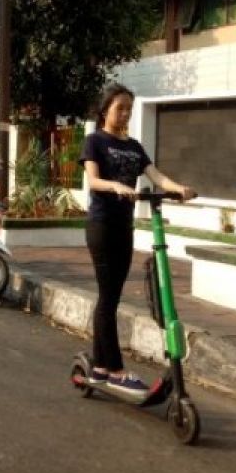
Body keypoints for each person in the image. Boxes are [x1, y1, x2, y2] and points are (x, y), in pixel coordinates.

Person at [80, 84, 196, 398]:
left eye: (129, 108)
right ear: (106, 110)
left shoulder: (134, 146)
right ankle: (116, 371)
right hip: (102, 225)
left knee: (111, 297)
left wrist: (179, 188)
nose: (126, 114)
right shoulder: (95, 141)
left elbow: (155, 175)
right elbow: (93, 181)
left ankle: (101, 367)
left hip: (124, 226)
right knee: (108, 296)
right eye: (121, 108)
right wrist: (116, 186)